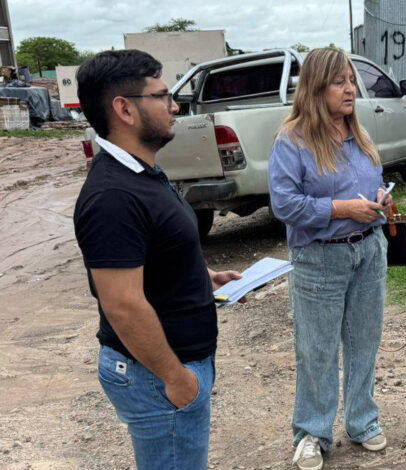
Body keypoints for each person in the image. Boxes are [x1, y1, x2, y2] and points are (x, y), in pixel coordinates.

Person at [73, 50, 242, 470]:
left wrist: (202, 276)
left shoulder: (143, 172)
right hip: (156, 374)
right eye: (162, 95)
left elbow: (158, 247)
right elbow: (122, 305)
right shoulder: (113, 195)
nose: (174, 106)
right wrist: (175, 379)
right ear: (125, 109)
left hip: (173, 366)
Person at [268, 47, 393, 470]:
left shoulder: (359, 134)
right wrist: (342, 209)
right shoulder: (293, 140)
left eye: (351, 80)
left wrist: (380, 202)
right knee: (316, 350)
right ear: (316, 87)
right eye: (339, 81)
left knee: (363, 343)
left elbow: (370, 187)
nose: (349, 89)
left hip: (369, 251)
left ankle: (361, 422)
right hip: (319, 258)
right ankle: (311, 433)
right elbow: (284, 205)